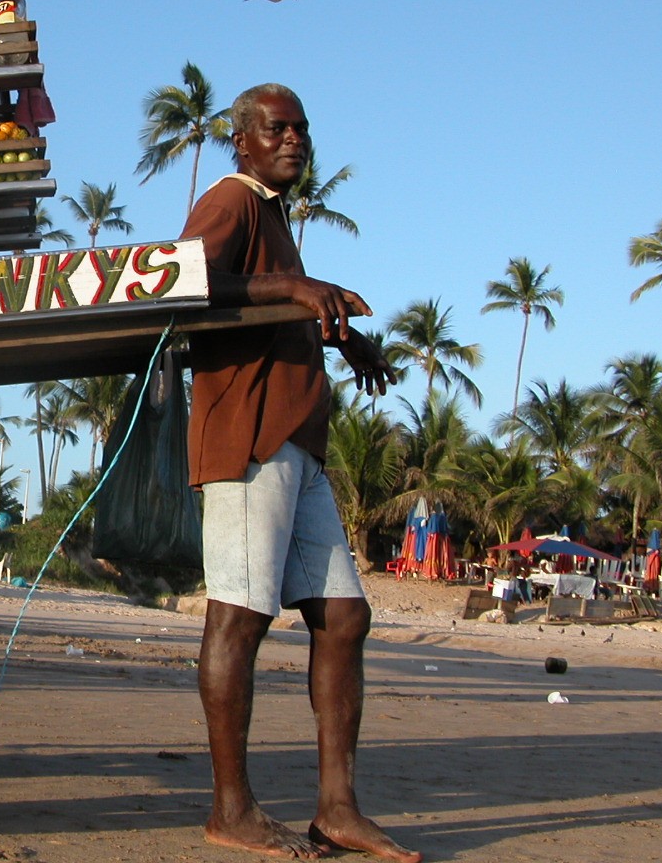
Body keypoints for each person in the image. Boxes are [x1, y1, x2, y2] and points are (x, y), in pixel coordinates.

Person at [182, 83, 417, 862]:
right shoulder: (232, 199)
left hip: (297, 445)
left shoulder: (277, 220)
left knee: (344, 617)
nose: (294, 141)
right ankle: (230, 810)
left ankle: (338, 808)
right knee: (239, 618)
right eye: (277, 130)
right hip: (249, 439)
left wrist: (344, 337)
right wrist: (291, 285)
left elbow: (281, 306)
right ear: (242, 140)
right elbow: (187, 286)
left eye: (302, 131)